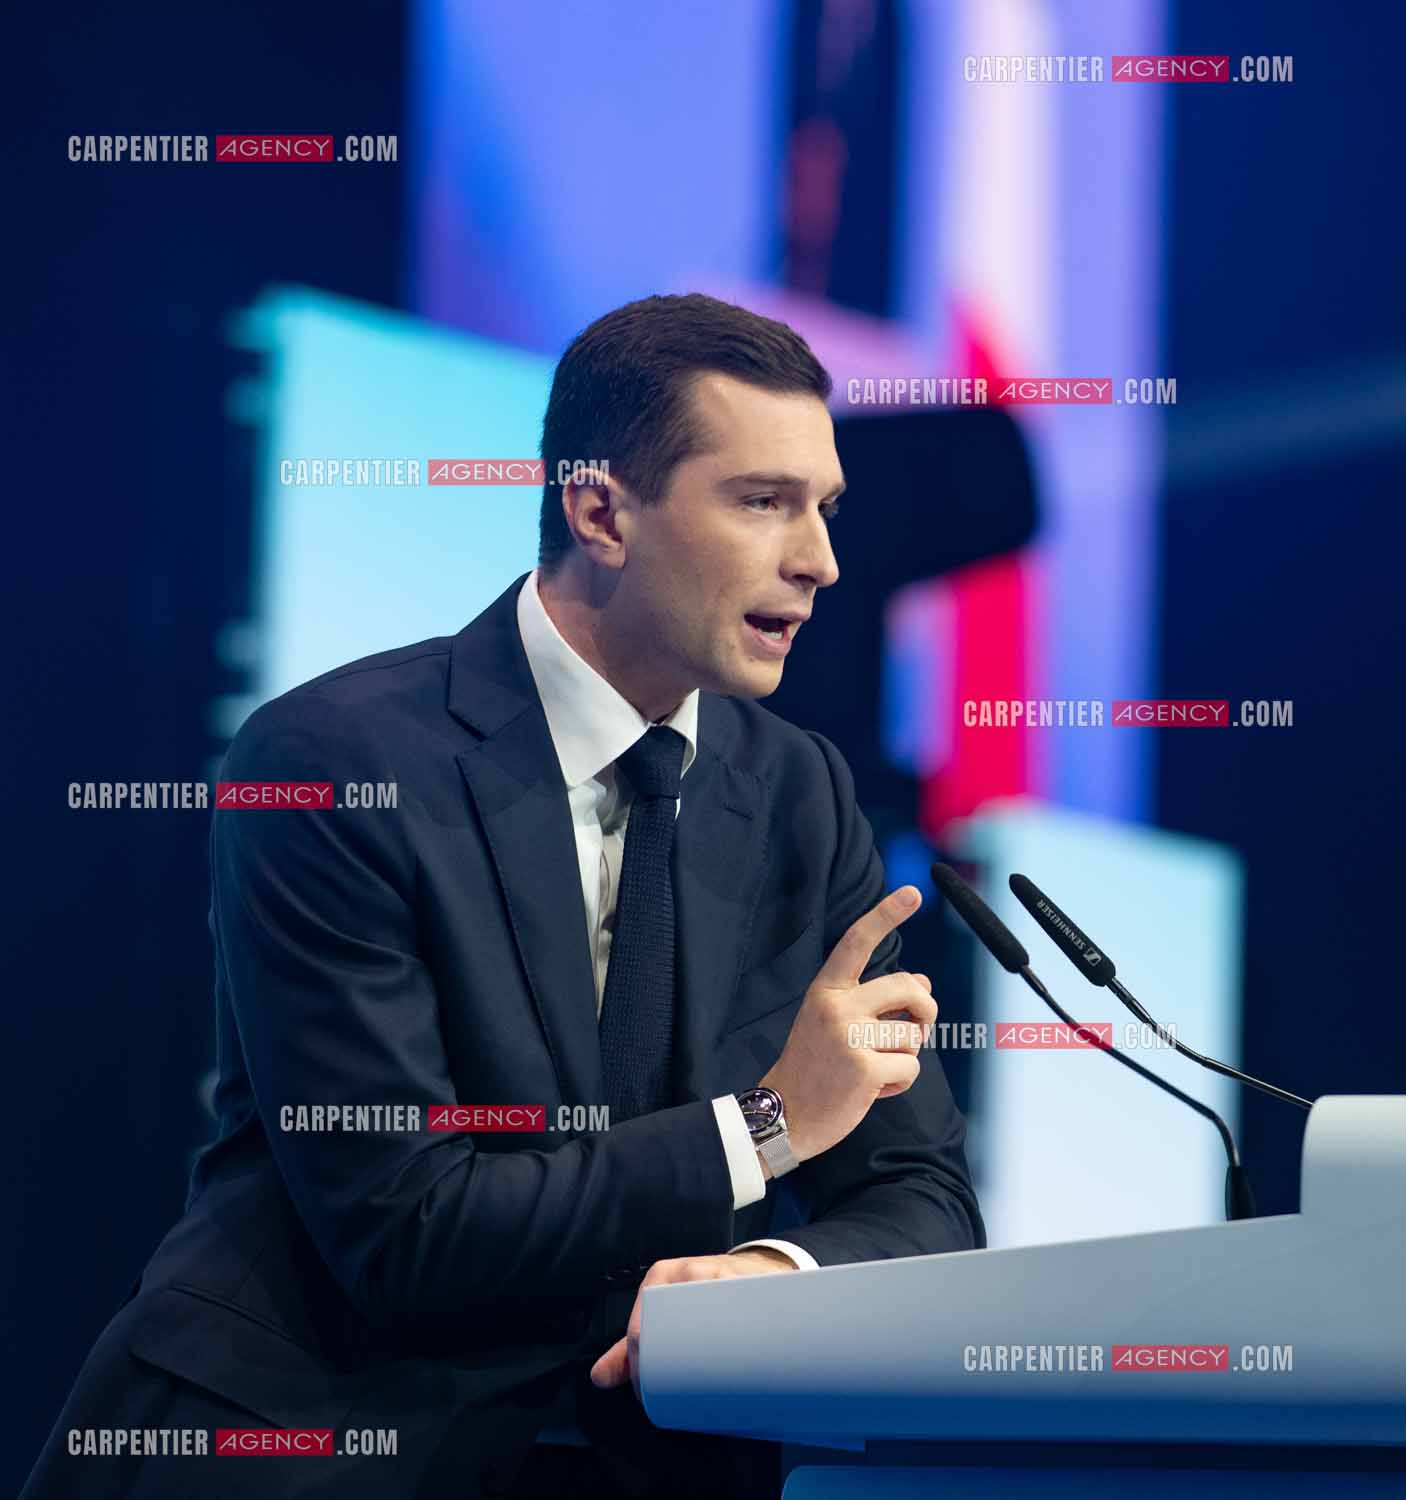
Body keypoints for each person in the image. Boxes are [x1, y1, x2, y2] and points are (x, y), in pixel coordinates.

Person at [23, 293, 983, 1498]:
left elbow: (922, 1198)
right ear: (601, 513)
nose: (820, 561)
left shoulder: (802, 794)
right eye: (761, 502)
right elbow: (407, 1231)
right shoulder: (336, 761)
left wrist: (772, 1274)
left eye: (824, 508)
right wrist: (765, 1126)